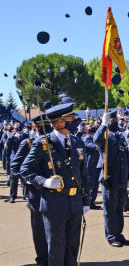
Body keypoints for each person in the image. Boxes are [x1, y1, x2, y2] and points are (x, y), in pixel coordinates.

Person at [21, 103, 91, 265]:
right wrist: (44, 182)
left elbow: (83, 174)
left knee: (72, 245)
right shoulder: (43, 143)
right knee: (56, 247)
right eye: (71, 118)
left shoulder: (76, 141)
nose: (75, 120)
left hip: (75, 203)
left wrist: (86, 200)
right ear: (60, 121)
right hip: (54, 204)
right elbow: (26, 169)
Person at [94, 111, 129, 247]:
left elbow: (126, 158)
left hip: (121, 178)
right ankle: (111, 236)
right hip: (109, 178)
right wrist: (103, 125)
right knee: (110, 210)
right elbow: (96, 140)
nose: (114, 123)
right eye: (111, 121)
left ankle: (118, 234)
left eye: (115, 120)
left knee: (119, 209)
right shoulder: (105, 136)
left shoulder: (120, 137)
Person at [17, 114, 50, 266]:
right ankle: (42, 259)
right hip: (35, 191)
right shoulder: (27, 143)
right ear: (36, 127)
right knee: (39, 229)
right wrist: (29, 180)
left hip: (51, 191)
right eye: (44, 125)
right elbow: (16, 165)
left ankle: (52, 257)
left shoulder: (52, 142)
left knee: (52, 227)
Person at [82, 124, 101, 209]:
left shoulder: (94, 137)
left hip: (96, 164)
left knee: (96, 184)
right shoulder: (87, 138)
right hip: (90, 164)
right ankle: (87, 201)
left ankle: (91, 201)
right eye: (90, 127)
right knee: (91, 184)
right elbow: (94, 147)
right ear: (86, 130)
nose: (92, 128)